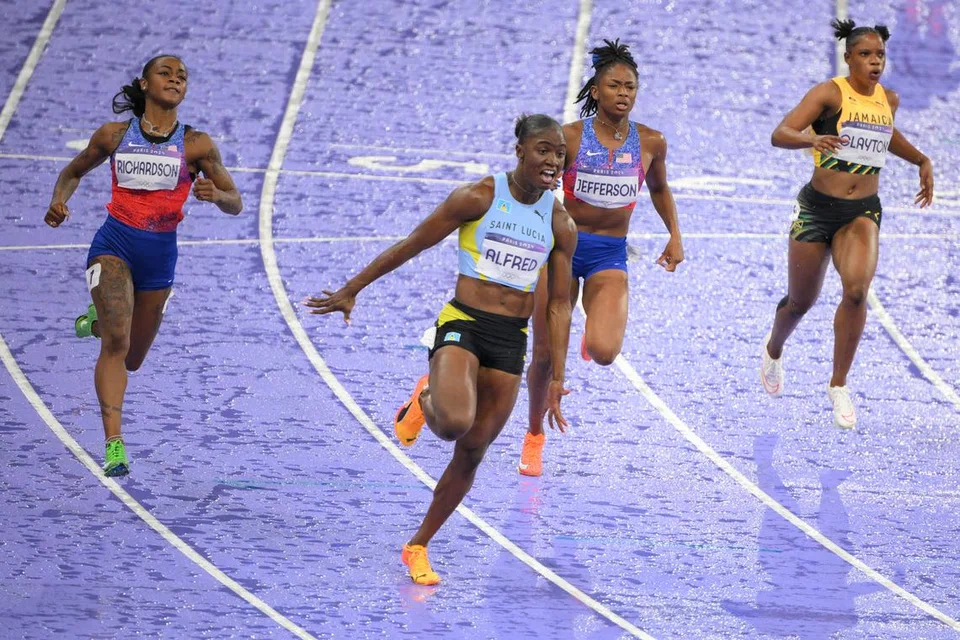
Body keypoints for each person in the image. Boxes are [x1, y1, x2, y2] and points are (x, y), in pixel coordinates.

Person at [305, 114, 578, 585]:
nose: (553, 160)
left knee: (473, 452)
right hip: (464, 325)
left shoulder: (558, 222)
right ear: (520, 151)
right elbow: (414, 242)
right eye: (543, 150)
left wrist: (556, 376)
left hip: (510, 340)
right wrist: (354, 288)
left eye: (559, 152)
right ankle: (426, 397)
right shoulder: (478, 197)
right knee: (452, 424)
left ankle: (417, 547)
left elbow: (557, 305)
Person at [43, 55, 243, 476]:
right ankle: (114, 443)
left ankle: (96, 321)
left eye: (182, 76)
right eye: (165, 73)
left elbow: (236, 202)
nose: (175, 79)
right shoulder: (114, 135)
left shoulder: (197, 145)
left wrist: (215, 195)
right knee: (116, 345)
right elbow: (72, 171)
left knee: (132, 356)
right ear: (145, 83)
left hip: (160, 257)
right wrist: (59, 201)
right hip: (114, 244)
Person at [519, 39, 684, 477]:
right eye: (614, 85)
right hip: (561, 252)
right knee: (544, 358)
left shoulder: (651, 142)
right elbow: (535, 185)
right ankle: (534, 434)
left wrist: (674, 235)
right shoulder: (569, 137)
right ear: (596, 90)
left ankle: (588, 335)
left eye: (630, 86)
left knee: (606, 351)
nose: (624, 93)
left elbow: (660, 189)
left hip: (609, 253)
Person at [761, 19, 934, 428]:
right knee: (799, 302)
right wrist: (811, 139)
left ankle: (838, 384)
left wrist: (922, 160)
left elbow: (887, 136)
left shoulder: (887, 100)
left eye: (880, 56)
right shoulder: (829, 94)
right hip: (816, 210)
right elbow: (780, 133)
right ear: (849, 58)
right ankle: (773, 349)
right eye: (866, 55)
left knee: (856, 291)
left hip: (861, 213)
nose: (875, 63)